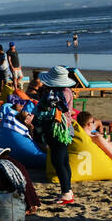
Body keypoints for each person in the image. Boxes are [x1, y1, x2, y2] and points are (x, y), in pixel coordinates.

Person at [34, 66, 77, 205]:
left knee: (58, 160)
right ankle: (68, 190)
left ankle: (66, 193)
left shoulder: (60, 94)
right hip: (64, 129)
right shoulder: (65, 91)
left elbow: (51, 110)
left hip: (58, 129)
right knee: (63, 159)